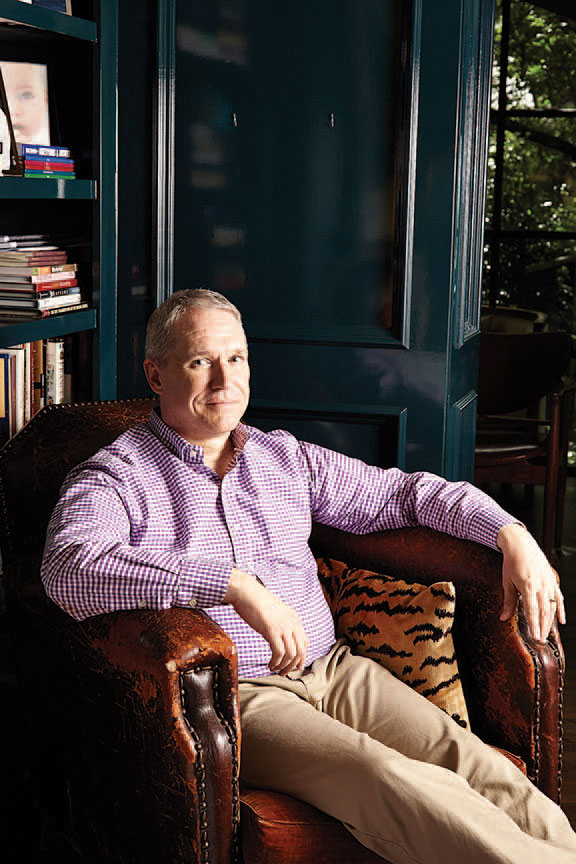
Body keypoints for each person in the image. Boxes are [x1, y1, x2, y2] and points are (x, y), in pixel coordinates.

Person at [41, 288, 576, 864]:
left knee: (473, 763)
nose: (225, 379)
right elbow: (70, 567)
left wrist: (510, 533)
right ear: (156, 374)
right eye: (200, 361)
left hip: (338, 669)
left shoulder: (284, 457)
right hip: (244, 697)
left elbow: (403, 495)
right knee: (383, 774)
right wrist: (232, 585)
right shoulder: (117, 474)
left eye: (236, 358)